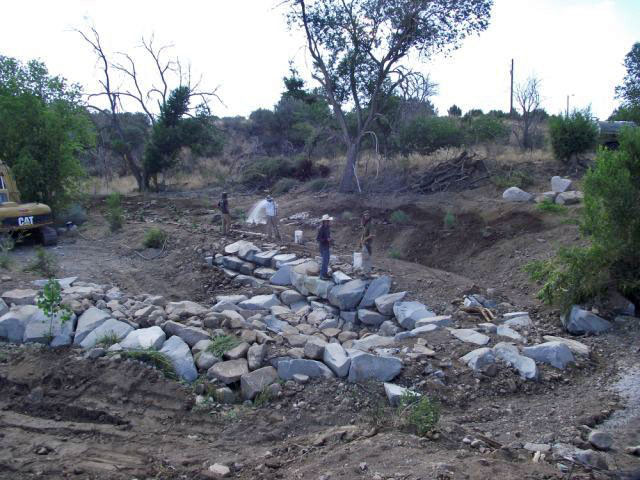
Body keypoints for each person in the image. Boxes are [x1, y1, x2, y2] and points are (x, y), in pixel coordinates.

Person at [317, 214, 333, 280]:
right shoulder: (321, 228)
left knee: (327, 261)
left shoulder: (328, 228)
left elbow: (328, 236)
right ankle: (322, 275)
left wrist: (330, 240)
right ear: (324, 221)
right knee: (324, 261)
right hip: (323, 247)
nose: (328, 222)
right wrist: (326, 240)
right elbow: (318, 239)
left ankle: (325, 274)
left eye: (328, 221)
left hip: (327, 246)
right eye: (327, 221)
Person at [360, 210, 374, 277]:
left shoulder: (370, 224)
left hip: (368, 243)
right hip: (364, 243)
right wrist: (361, 240)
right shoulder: (365, 224)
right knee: (364, 258)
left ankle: (367, 274)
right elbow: (363, 234)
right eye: (365, 215)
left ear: (369, 216)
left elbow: (371, 235)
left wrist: (364, 240)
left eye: (367, 215)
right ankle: (365, 272)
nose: (366, 216)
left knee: (367, 258)